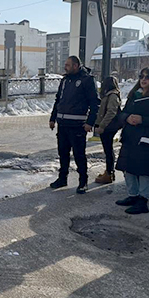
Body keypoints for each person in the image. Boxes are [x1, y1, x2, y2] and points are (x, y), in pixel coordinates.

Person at [114, 66, 149, 214]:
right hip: (131, 137)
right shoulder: (134, 94)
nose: (143, 80)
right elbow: (122, 113)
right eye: (141, 76)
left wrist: (142, 119)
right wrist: (127, 118)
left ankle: (142, 201)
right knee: (129, 168)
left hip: (147, 140)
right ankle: (132, 195)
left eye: (147, 77)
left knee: (145, 171)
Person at [49, 56, 101, 194]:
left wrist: (90, 122)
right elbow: (58, 100)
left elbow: (95, 103)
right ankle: (62, 178)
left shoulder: (87, 80)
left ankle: (83, 181)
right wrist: (53, 118)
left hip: (78, 125)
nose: (65, 67)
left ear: (76, 65)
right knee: (63, 153)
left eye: (68, 65)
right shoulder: (65, 80)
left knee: (79, 155)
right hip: (63, 124)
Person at [93, 75, 123, 184]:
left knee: (108, 150)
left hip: (108, 127)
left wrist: (102, 126)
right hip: (109, 126)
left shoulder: (112, 95)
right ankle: (109, 172)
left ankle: (109, 173)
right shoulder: (112, 94)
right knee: (108, 149)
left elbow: (111, 112)